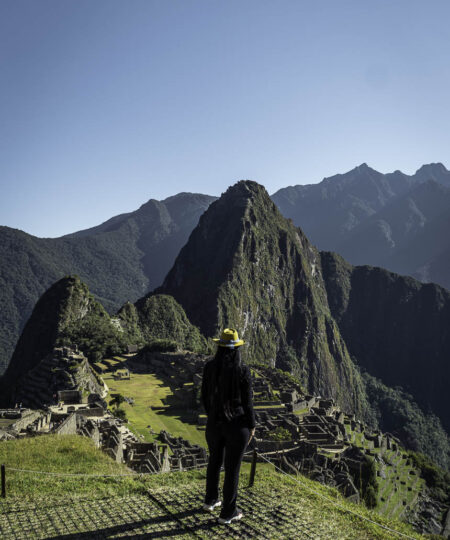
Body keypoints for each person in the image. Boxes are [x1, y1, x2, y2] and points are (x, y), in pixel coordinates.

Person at [201, 328, 256, 524]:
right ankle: (228, 512)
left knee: (214, 461)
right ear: (236, 349)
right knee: (232, 468)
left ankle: (210, 500)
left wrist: (213, 416)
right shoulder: (242, 370)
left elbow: (204, 397)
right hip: (237, 425)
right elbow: (248, 404)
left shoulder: (209, 367)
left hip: (214, 424)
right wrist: (252, 426)